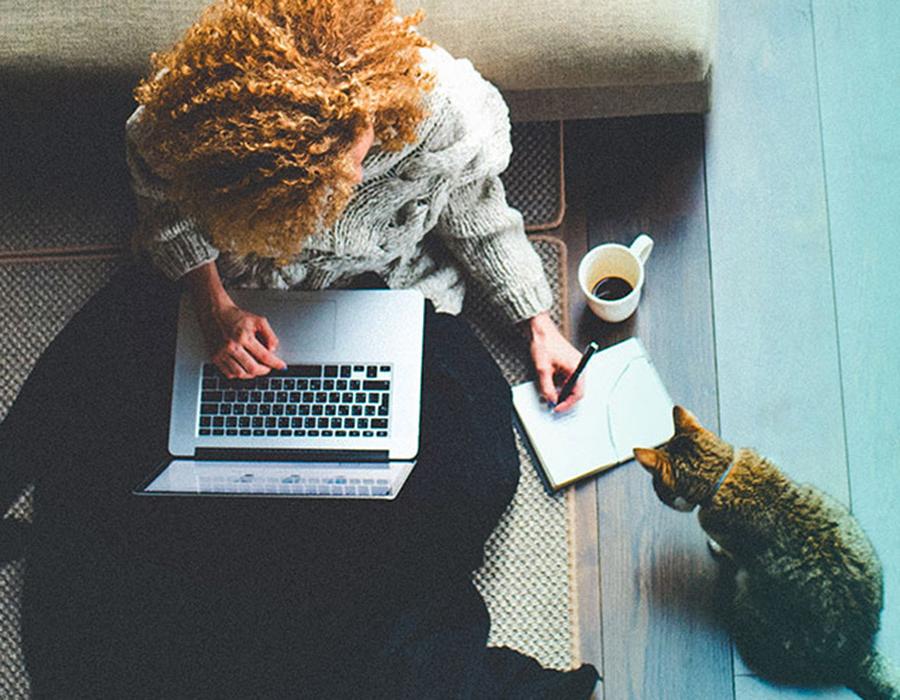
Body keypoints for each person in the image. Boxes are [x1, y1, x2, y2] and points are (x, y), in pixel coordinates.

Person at [2, 0, 598, 696]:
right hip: (246, 294)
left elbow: (476, 210)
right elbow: (165, 209)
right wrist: (213, 304)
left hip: (389, 296)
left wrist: (535, 320)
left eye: (341, 172)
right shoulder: (190, 123)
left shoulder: (444, 113)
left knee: (471, 476)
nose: (329, 201)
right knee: (140, 478)